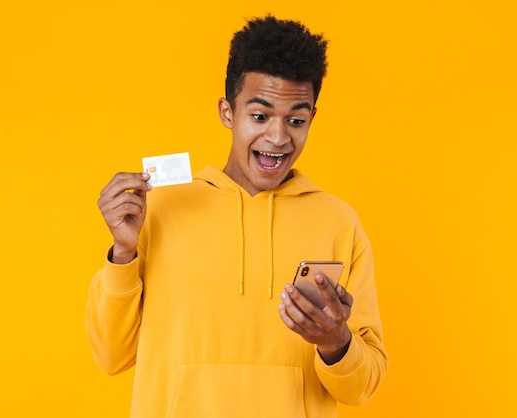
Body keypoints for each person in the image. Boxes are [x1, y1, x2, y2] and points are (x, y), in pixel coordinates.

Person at [85, 15, 387, 418]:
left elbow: (363, 386)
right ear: (227, 112)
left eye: (295, 120)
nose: (278, 138)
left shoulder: (338, 222)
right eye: (260, 116)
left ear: (312, 118)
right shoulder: (159, 210)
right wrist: (123, 252)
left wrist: (336, 342)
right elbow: (111, 356)